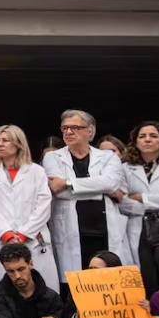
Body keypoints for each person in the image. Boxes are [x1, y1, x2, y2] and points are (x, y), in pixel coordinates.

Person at [43, 110, 132, 299]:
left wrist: (68, 183)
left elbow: (110, 183)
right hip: (71, 229)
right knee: (77, 285)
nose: (68, 132)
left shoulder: (108, 157)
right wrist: (97, 186)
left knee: (108, 281)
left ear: (90, 132)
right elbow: (57, 190)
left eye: (75, 127)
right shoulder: (52, 157)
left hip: (104, 229)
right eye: (65, 128)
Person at [0, 125, 59, 293]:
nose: (0, 144)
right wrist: (6, 234)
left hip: (32, 238)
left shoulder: (36, 171)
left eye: (5, 140)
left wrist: (23, 233)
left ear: (19, 144)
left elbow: (43, 204)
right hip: (0, 239)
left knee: (38, 289)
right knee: (1, 294)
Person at [117, 121, 159, 297]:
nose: (147, 140)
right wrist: (158, 202)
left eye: (153, 136)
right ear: (136, 142)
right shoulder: (124, 169)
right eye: (142, 136)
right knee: (146, 276)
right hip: (139, 226)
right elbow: (121, 201)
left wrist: (141, 197)